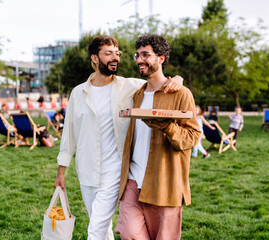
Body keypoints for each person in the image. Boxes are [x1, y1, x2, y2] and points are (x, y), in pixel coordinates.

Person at [53, 35, 183, 240]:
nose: (115, 58)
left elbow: (158, 80)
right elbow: (69, 134)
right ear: (94, 58)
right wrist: (61, 171)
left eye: (117, 53)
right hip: (87, 170)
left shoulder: (128, 86)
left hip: (115, 170)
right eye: (108, 53)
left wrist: (177, 78)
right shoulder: (78, 93)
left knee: (95, 227)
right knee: (101, 224)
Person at [115, 34, 201, 239]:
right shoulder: (137, 93)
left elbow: (192, 137)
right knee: (129, 233)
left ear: (161, 58)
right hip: (133, 180)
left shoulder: (181, 94)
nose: (139, 60)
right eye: (138, 55)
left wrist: (167, 127)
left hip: (165, 182)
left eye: (146, 55)